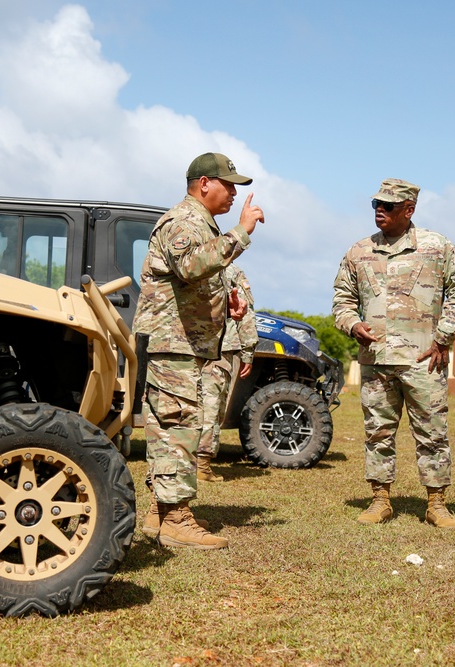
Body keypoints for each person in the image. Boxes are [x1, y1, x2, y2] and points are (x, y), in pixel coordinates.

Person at [133, 152, 265, 549]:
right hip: (175, 344)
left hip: (184, 342)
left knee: (171, 425)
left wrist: (228, 301)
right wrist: (241, 232)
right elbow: (190, 266)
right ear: (204, 183)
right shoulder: (184, 221)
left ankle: (160, 513)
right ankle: (176, 519)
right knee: (178, 428)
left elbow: (190, 282)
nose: (233, 194)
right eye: (229, 185)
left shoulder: (201, 223)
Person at [332, 178, 455, 529]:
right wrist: (352, 325)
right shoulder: (358, 252)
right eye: (376, 205)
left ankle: (436, 503)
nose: (380, 210)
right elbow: (342, 301)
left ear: (409, 209)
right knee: (377, 432)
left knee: (432, 432)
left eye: (389, 206)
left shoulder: (437, 247)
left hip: (424, 360)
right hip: (376, 361)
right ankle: (380, 499)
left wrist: (444, 337)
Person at [196, 262, 257, 482]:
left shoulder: (192, 264)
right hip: (219, 348)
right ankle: (201, 464)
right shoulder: (230, 271)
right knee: (212, 404)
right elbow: (245, 310)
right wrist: (248, 351)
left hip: (188, 345)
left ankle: (189, 459)